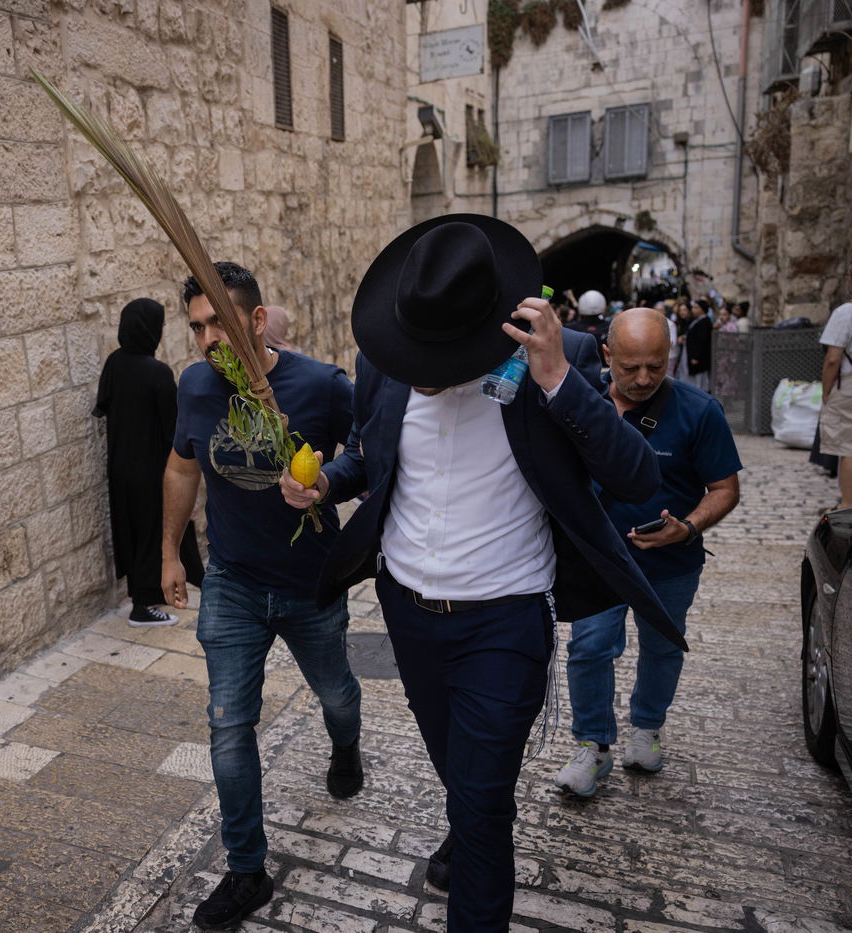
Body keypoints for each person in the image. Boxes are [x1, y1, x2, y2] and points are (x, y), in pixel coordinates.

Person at [280, 215, 684, 932]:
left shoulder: (556, 358)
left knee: (482, 807)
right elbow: (373, 458)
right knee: (461, 781)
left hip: (504, 620)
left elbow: (638, 475)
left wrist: (557, 378)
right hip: (407, 613)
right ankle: (465, 822)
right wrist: (325, 484)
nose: (425, 373)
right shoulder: (382, 360)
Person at [162, 262, 362, 931]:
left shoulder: (322, 385)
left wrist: (328, 479)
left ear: (253, 319)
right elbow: (182, 464)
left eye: (218, 321)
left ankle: (345, 745)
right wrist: (169, 551)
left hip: (311, 583)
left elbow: (371, 449)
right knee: (227, 727)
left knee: (336, 693)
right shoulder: (194, 386)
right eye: (195, 326)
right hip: (233, 583)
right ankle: (247, 869)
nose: (206, 339)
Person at [554, 309, 740, 797]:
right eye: (630, 367)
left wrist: (689, 527)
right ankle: (593, 746)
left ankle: (647, 728)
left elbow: (724, 488)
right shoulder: (577, 402)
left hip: (670, 564)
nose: (642, 379)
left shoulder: (701, 410)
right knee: (589, 647)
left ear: (671, 356)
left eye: (655, 367)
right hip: (597, 562)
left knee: (662, 648)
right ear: (607, 355)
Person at [93, 298, 204, 626]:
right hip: (154, 469)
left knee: (136, 532)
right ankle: (143, 606)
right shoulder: (156, 373)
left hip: (121, 468)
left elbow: (103, 405)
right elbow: (175, 428)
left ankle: (190, 579)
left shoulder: (115, 363)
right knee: (159, 532)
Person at [819, 281, 852, 510]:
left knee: (848, 447)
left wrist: (826, 392)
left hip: (848, 386)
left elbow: (833, 358)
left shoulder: (845, 313)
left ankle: (848, 504)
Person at [682, 299, 713, 391]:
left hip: (699, 358)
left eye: (696, 308)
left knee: (700, 380)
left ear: (702, 309)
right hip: (692, 354)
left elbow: (701, 341)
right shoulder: (698, 320)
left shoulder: (704, 322)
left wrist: (696, 356)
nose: (693, 310)